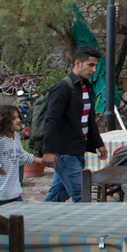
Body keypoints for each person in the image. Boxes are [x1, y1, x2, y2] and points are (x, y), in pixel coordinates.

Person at [42, 46, 108, 202]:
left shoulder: (85, 87)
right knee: (82, 195)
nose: (94, 69)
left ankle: (39, 216)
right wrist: (48, 151)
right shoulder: (63, 88)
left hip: (78, 150)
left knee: (59, 194)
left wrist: (98, 143)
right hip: (65, 152)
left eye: (95, 65)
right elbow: (51, 120)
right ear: (78, 63)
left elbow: (89, 119)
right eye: (90, 65)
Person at [0, 104, 40, 209]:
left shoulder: (16, 137)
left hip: (14, 193)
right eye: (13, 118)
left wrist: (43, 161)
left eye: (18, 117)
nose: (18, 120)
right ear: (3, 121)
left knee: (19, 218)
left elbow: (23, 156)